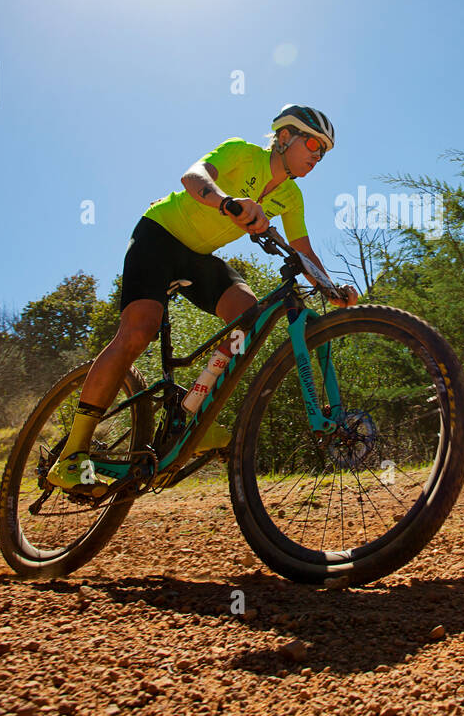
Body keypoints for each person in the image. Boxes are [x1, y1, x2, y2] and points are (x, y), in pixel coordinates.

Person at [46, 105, 357, 494]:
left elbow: (303, 251)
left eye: (324, 151)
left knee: (249, 316)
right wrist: (228, 203)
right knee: (139, 330)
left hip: (198, 257)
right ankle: (72, 454)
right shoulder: (243, 153)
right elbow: (193, 177)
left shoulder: (292, 197)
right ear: (283, 138)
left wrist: (331, 287)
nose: (317, 154)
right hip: (159, 235)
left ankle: (193, 414)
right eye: (312, 143)